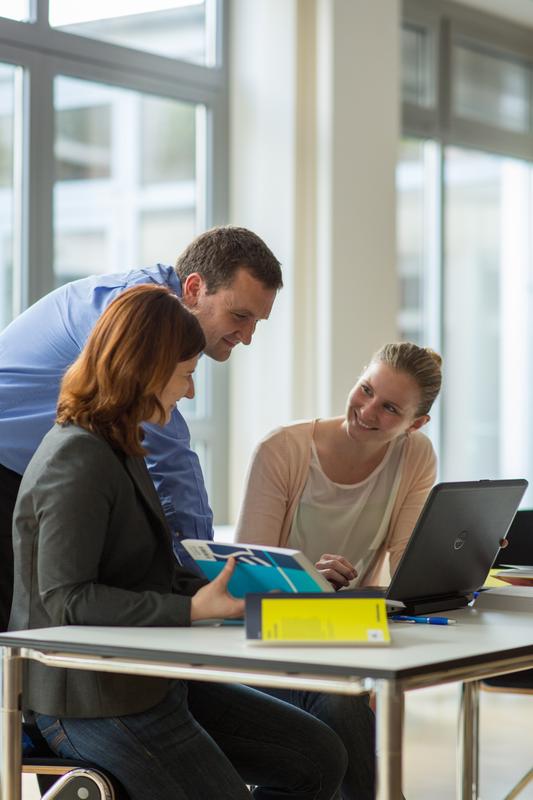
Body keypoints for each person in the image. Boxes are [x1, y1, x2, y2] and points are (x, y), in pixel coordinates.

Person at [9, 285, 347, 800]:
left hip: (145, 681)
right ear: (144, 370)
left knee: (321, 759)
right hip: (87, 701)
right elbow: (66, 601)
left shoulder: (120, 443)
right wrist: (190, 609)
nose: (189, 393)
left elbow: (147, 572)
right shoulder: (75, 459)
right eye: (186, 374)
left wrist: (263, 588)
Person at [0, 225, 283, 631]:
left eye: (258, 321)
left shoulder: (159, 323)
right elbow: (172, 462)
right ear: (194, 287)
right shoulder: (138, 321)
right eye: (240, 316)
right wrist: (208, 585)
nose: (248, 336)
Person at [235, 341, 443, 800]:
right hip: (266, 642)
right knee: (340, 710)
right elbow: (244, 583)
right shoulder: (282, 450)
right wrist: (307, 582)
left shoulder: (416, 456)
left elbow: (409, 568)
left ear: (417, 424)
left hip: (344, 642)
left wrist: (458, 550)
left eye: (390, 408)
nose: (366, 410)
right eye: (365, 389)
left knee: (340, 713)